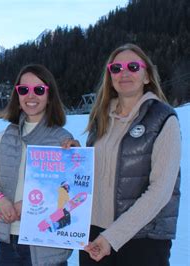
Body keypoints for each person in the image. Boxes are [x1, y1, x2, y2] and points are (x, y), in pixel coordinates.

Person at [80, 43, 181, 266]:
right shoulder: (100, 118)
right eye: (116, 68)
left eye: (133, 66)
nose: (124, 73)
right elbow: (92, 174)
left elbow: (161, 191)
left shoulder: (163, 119)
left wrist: (112, 237)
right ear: (110, 76)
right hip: (94, 235)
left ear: (147, 76)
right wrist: (72, 154)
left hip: (142, 239)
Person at [0, 63, 74, 266]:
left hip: (48, 244)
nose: (31, 96)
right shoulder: (6, 136)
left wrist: (32, 206)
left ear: (49, 95)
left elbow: (70, 195)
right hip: (10, 242)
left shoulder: (63, 140)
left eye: (39, 90)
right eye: (24, 90)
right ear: (17, 95)